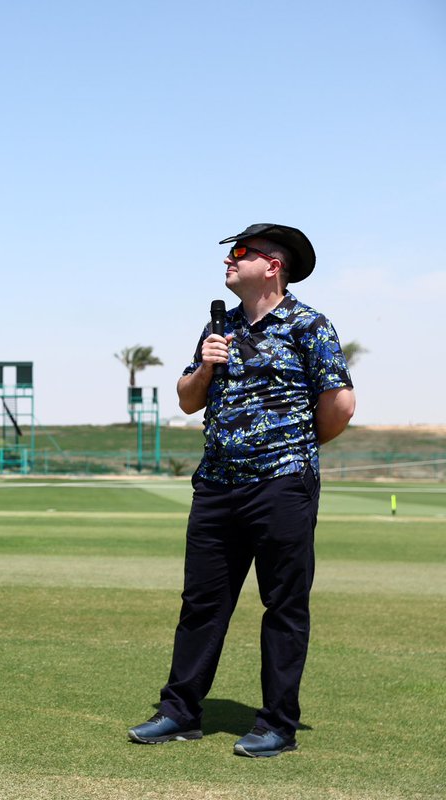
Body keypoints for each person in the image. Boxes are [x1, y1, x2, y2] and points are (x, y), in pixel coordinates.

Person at [128, 224, 355, 757]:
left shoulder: (308, 325)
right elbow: (187, 400)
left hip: (281, 485)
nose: (229, 261)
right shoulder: (220, 328)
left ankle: (277, 724)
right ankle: (179, 712)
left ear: (273, 265)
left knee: (283, 605)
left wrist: (291, 448)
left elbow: (340, 405)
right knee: (202, 603)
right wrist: (206, 364)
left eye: (240, 254)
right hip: (216, 487)